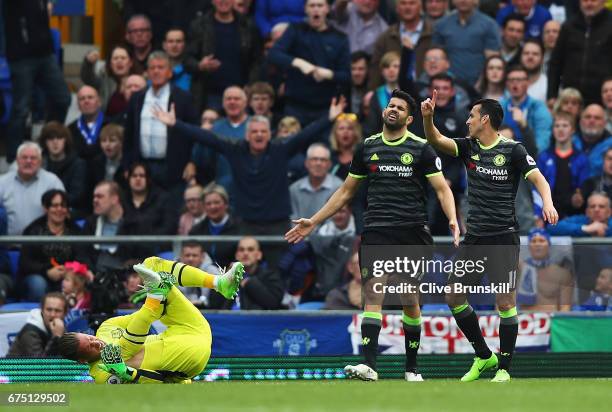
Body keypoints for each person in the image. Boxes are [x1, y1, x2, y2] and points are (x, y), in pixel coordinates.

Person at [287, 89, 460, 382]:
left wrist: (453, 219)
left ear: (409, 117)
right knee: (373, 293)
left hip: (412, 233)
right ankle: (370, 366)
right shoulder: (367, 147)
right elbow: (345, 192)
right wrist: (314, 221)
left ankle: (412, 368)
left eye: (400, 108)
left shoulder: (421, 148)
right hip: (377, 231)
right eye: (390, 105)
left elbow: (442, 189)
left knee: (409, 298)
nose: (393, 109)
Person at [421, 93, 558, 382]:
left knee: (505, 303)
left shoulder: (513, 150)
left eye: (472, 115)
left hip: (503, 238)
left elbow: (539, 179)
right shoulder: (469, 147)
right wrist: (427, 118)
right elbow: (436, 140)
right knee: (453, 295)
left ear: (485, 119)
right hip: (475, 238)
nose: (467, 120)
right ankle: (484, 355)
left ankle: (505, 370)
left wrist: (547, 202)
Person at [153, 97, 345, 238]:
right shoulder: (235, 148)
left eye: (263, 131)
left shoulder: (280, 149)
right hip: (244, 223)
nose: (259, 135)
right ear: (247, 135)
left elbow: (305, 135)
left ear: (270, 134)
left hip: (277, 224)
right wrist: (175, 124)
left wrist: (329, 118)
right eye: (254, 132)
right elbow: (206, 137)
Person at [57, 257, 244, 383]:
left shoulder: (107, 326)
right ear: (82, 361)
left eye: (89, 338)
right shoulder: (99, 373)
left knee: (151, 266)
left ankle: (219, 283)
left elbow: (145, 317)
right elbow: (137, 374)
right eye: (90, 347)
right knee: (117, 358)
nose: (96, 342)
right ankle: (155, 293)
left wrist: (155, 296)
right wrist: (124, 372)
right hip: (185, 358)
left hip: (192, 330)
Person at [2, 0, 71, 163]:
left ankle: (46, 143)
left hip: (45, 54)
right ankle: (14, 158)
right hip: (21, 56)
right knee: (21, 109)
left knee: (63, 99)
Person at [123, 51, 199, 192]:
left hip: (173, 167)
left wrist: (192, 162)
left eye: (161, 67)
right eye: (152, 68)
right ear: (147, 72)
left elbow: (194, 133)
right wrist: (127, 165)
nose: (156, 71)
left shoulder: (183, 98)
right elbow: (128, 135)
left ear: (170, 72)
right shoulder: (137, 99)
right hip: (142, 166)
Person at [267, 0, 351, 126]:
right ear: (305, 9)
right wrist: (298, 63)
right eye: (312, 5)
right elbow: (273, 54)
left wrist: (329, 74)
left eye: (320, 5)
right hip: (296, 106)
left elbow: (347, 76)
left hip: (325, 107)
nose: (316, 9)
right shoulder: (295, 30)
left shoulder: (340, 38)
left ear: (327, 9)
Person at [185, 0, 262, 111]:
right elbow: (187, 59)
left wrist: (251, 84)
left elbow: (257, 60)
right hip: (209, 94)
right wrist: (200, 65)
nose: (223, 1)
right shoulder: (199, 26)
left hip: (241, 93)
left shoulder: (248, 25)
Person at [18, 190, 87, 302]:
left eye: (63, 206)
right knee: (37, 284)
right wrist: (47, 271)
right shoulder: (33, 230)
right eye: (54, 205)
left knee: (77, 281)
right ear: (46, 208)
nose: (59, 209)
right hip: (38, 276)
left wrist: (69, 270)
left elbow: (83, 257)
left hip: (68, 276)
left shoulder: (76, 230)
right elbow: (25, 263)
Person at [547, 0, 612, 106]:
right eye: (585, 0)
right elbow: (555, 64)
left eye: (594, 0)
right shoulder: (568, 26)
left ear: (603, 1)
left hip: (603, 98)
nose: (589, 4)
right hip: (571, 99)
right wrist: (551, 95)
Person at [0, 142, 64, 236]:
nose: (28, 161)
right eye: (24, 157)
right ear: (17, 160)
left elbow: (62, 211)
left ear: (40, 161)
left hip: (42, 247)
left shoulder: (52, 182)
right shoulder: (2, 182)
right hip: (9, 247)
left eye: (33, 158)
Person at [432, 0, 501, 86]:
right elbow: (436, 57)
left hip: (479, 85)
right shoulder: (441, 25)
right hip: (448, 85)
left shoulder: (489, 25)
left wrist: (482, 84)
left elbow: (492, 59)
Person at [368, 0, 433, 89]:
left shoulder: (434, 33)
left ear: (421, 7)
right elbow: (376, 68)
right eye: (403, 3)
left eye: (412, 3)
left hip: (428, 91)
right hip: (394, 93)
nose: (407, 7)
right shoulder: (386, 36)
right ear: (397, 8)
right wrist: (372, 91)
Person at [536, 112, 590, 219]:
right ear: (553, 130)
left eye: (565, 125)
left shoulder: (582, 158)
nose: (560, 129)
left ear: (573, 130)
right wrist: (538, 215)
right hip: (548, 215)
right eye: (557, 126)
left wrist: (580, 195)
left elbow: (585, 184)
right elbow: (536, 188)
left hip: (574, 215)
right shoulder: (543, 157)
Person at [517, 229, 573, 312]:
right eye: (533, 241)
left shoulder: (562, 273)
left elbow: (565, 308)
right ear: (529, 246)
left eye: (542, 241)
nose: (537, 244)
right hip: (525, 321)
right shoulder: (519, 270)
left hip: (551, 322)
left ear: (549, 245)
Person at [500, 65, 552, 153]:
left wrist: (524, 125)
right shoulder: (500, 106)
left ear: (528, 83)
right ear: (506, 84)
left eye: (519, 80)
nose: (515, 83)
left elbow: (542, 144)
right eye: (511, 80)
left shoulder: (538, 107)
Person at [39, 122, 88, 214]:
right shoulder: (38, 163)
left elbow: (77, 195)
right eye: (50, 138)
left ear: (65, 140)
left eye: (59, 138)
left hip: (67, 211)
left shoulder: (78, 164)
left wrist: (53, 204)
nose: (55, 142)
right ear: (44, 142)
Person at [189, 185, 241, 269]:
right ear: (204, 206)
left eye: (216, 202)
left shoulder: (239, 228)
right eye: (208, 204)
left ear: (226, 204)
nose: (212, 207)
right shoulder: (196, 230)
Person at [290, 143, 343, 221]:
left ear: (329, 164)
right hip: (300, 232)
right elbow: (292, 220)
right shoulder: (294, 189)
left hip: (330, 233)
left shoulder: (339, 187)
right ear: (306, 163)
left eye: (323, 160)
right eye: (314, 159)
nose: (318, 163)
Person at [7, 292, 68, 357]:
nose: (52, 315)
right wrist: (56, 338)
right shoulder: (30, 332)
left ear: (65, 313)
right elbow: (41, 365)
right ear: (41, 310)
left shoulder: (59, 327)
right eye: (49, 310)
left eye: (57, 311)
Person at [81, 46, 134, 115]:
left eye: (123, 58)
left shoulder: (138, 82)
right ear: (110, 64)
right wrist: (88, 63)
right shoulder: (104, 81)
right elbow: (88, 78)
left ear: (130, 63)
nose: (119, 61)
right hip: (107, 124)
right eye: (115, 58)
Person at [234, 237, 284, 310]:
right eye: (241, 250)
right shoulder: (226, 276)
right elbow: (214, 304)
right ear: (236, 255)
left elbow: (273, 303)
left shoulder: (271, 276)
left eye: (250, 249)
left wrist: (249, 283)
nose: (245, 253)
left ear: (259, 255)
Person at [68, 86, 108, 160]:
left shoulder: (111, 125)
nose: (86, 101)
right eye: (82, 99)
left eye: (90, 97)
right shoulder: (70, 130)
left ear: (99, 102)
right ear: (78, 105)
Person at [177, 242, 221, 308]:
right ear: (181, 256)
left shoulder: (213, 272)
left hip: (208, 311)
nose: (190, 259)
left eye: (194, 255)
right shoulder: (174, 272)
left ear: (202, 257)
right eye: (187, 255)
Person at [573, 104, 612, 177]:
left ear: (605, 123)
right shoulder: (569, 142)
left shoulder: (610, 146)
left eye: (597, 118)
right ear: (581, 121)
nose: (592, 121)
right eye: (588, 117)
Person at [89, 124, 127, 191]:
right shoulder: (96, 163)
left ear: (121, 142)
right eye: (103, 141)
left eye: (112, 140)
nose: (107, 144)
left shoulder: (128, 164)